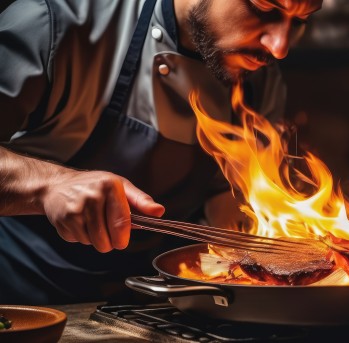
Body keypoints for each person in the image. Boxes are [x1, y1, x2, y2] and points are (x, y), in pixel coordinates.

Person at [0, 0, 322, 304]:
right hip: (22, 299)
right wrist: (49, 184)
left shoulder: (259, 83)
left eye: (299, 21)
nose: (279, 47)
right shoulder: (56, 24)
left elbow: (230, 216)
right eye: (265, 7)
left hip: (152, 307)